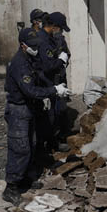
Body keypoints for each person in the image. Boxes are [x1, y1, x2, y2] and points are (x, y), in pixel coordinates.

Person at [4, 28, 68, 204]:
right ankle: (11, 187)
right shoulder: (19, 64)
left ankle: (25, 179)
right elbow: (29, 90)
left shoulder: (30, 58)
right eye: (32, 46)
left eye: (36, 45)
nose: (36, 48)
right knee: (20, 147)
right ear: (23, 46)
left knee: (31, 144)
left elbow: (40, 75)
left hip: (29, 108)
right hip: (19, 110)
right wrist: (53, 91)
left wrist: (54, 88)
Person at [40, 12, 71, 153]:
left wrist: (64, 60)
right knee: (48, 115)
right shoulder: (43, 40)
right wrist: (60, 60)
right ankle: (47, 147)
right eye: (61, 28)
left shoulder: (56, 38)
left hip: (57, 79)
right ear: (54, 26)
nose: (62, 31)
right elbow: (47, 66)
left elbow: (65, 53)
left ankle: (55, 141)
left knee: (59, 111)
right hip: (47, 81)